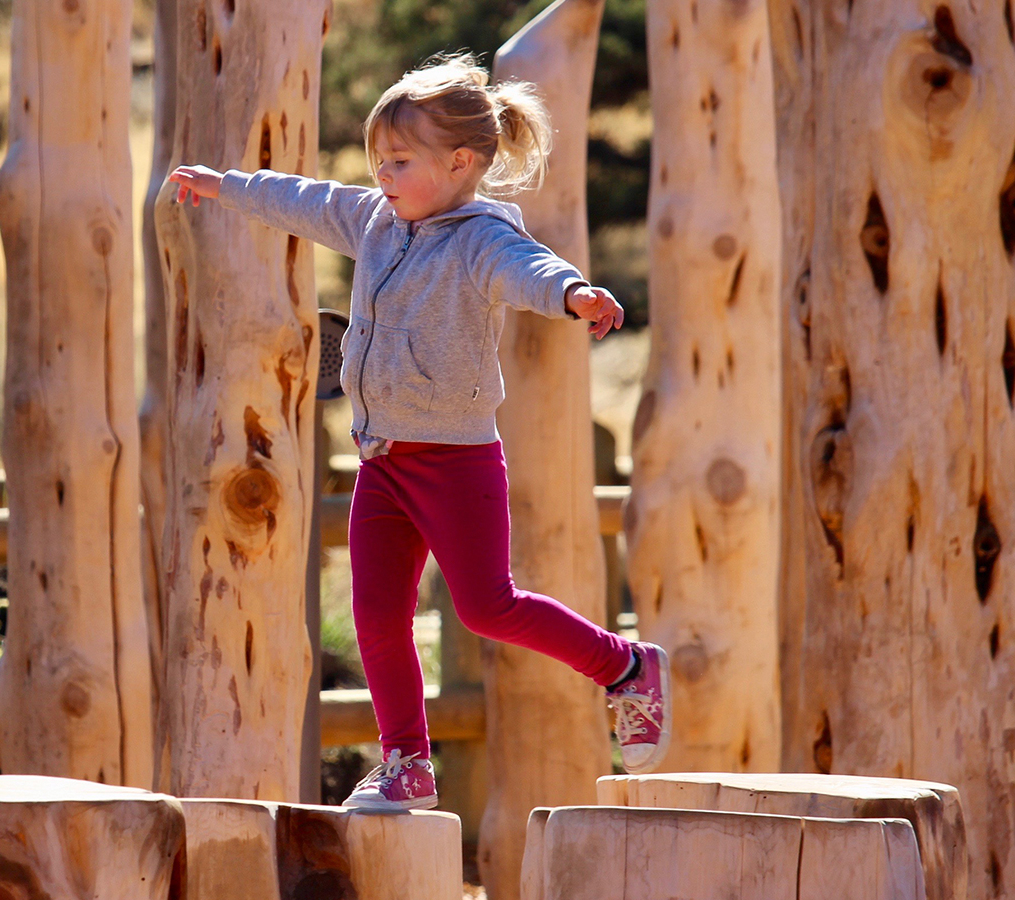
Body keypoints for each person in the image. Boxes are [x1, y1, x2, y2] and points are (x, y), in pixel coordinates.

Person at [166, 52, 670, 812]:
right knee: (377, 614)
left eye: (399, 162)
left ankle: (626, 667)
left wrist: (573, 292)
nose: (383, 176)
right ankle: (407, 762)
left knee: (486, 606)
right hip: (383, 458)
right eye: (378, 161)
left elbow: (528, 269)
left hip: (456, 460)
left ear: (461, 162)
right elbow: (305, 198)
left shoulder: (480, 239)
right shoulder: (374, 219)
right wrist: (227, 186)